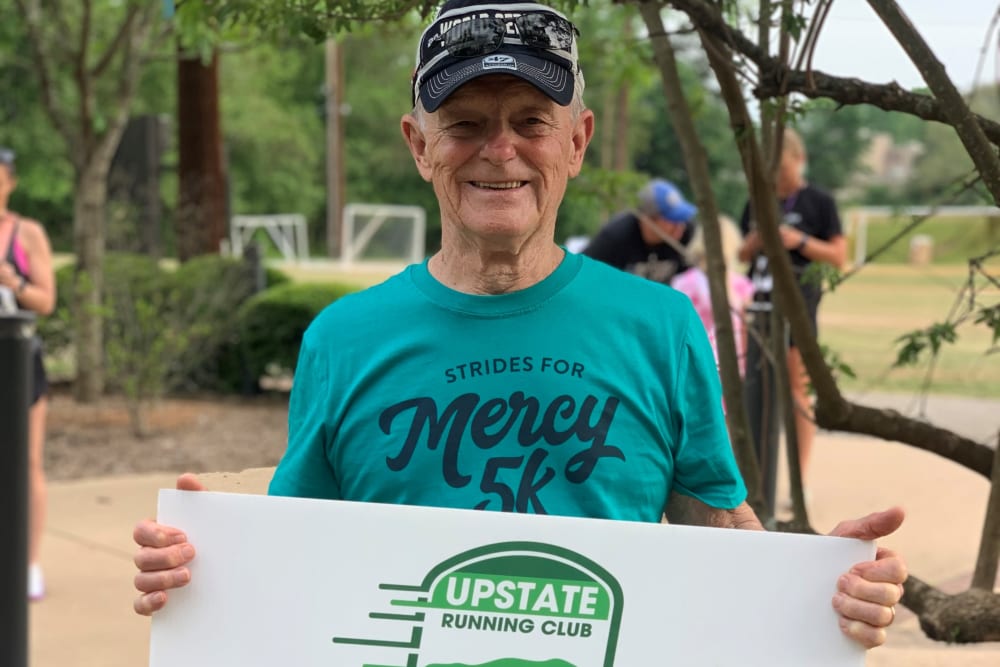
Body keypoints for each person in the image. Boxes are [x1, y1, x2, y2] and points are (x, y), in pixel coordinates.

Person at [132, 0, 904, 649]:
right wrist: (204, 572)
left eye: (531, 120)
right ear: (418, 144)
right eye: (464, 123)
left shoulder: (660, 326)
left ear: (577, 140)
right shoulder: (342, 338)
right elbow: (294, 558)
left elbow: (719, 525)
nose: (499, 150)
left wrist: (816, 594)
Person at [737, 128, 847, 488]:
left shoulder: (819, 202)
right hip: (759, 308)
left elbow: (838, 256)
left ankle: (798, 478)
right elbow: (741, 256)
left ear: (799, 161)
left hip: (797, 307)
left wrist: (798, 240)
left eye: (783, 170)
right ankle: (753, 475)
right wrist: (756, 240)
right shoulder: (756, 201)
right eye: (771, 171)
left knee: (795, 389)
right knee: (752, 387)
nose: (777, 179)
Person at [0, 147, 57, 601]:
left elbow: (46, 301)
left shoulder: (27, 233)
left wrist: (11, 281)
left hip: (18, 361)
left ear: (11, 181)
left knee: (27, 462)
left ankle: (28, 564)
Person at [671, 216, 753, 376]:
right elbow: (746, 335)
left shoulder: (682, 283)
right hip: (732, 367)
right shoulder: (742, 286)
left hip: (692, 366)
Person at [584, 178, 696, 284]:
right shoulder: (616, 238)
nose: (681, 226)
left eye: (682, 218)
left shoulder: (688, 235)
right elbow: (584, 272)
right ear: (647, 220)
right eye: (673, 220)